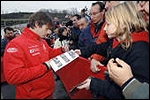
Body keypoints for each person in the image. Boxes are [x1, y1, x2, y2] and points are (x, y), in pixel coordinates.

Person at [76, 1, 149, 99]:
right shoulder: (120, 42)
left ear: (123, 24)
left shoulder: (140, 52)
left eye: (109, 24)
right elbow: (103, 47)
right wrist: (83, 52)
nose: (105, 29)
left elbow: (129, 93)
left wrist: (95, 85)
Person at [3, 11, 68, 99]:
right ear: (37, 24)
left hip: (48, 92)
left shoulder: (42, 41)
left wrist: (62, 50)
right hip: (31, 96)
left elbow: (49, 53)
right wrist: (45, 66)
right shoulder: (15, 44)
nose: (49, 32)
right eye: (47, 28)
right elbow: (13, 76)